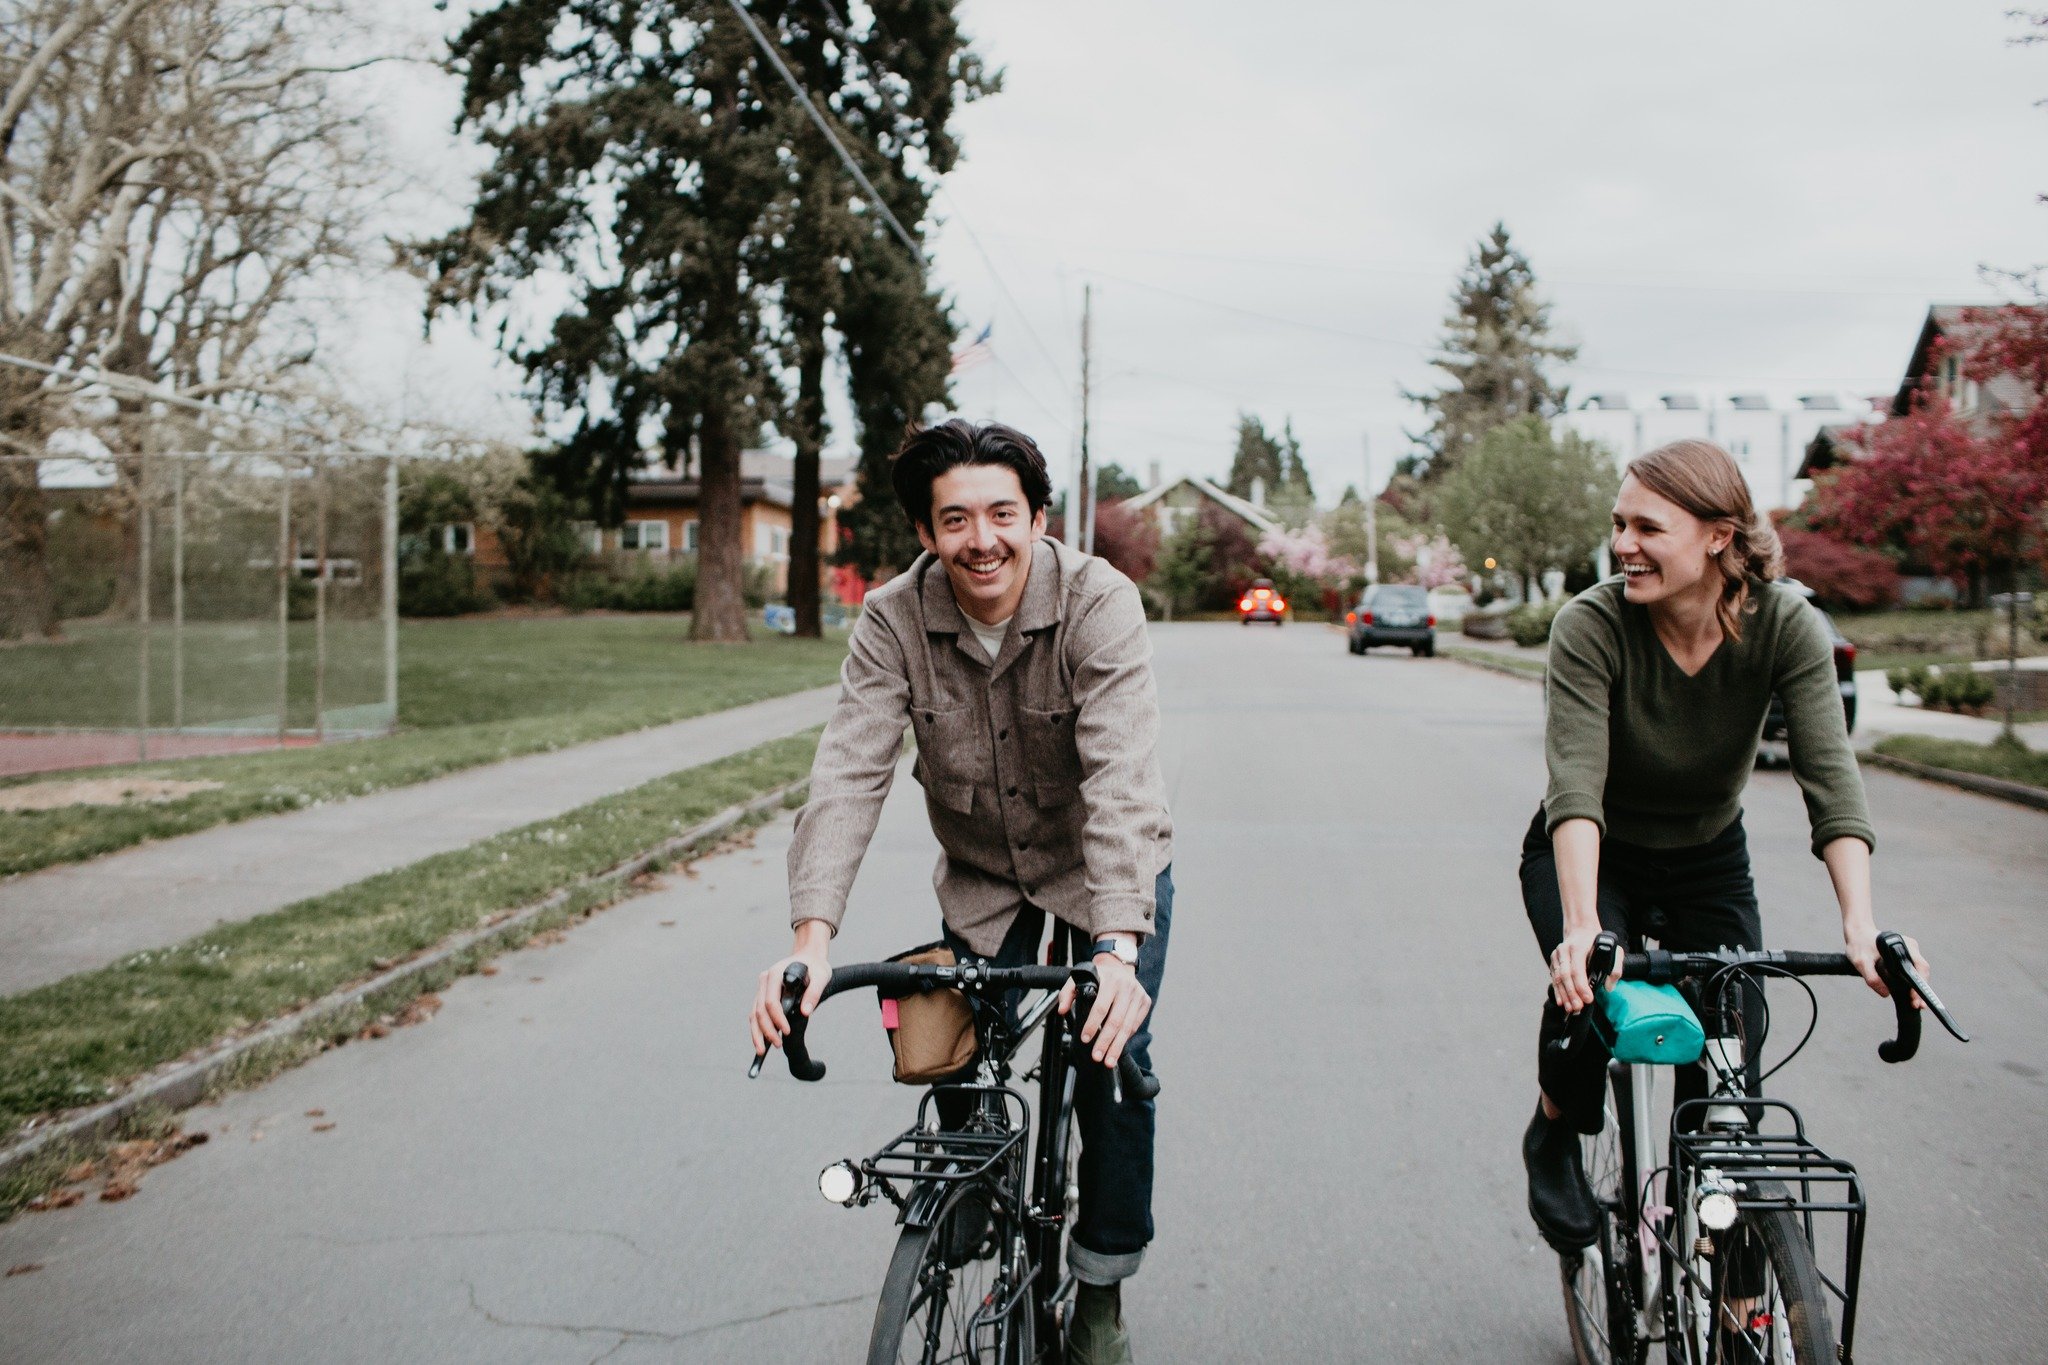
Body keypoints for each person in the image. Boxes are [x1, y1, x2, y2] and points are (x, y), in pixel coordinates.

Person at [748, 419, 1172, 1365]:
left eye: (1001, 513)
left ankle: (1101, 1287)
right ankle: (972, 1203)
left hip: (1107, 869)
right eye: (956, 519)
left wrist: (1113, 953)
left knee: (1113, 1062)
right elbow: (848, 774)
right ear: (926, 531)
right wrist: (810, 940)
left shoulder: (1099, 600)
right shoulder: (894, 618)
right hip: (984, 874)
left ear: (1037, 516)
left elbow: (1122, 782)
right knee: (949, 1046)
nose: (982, 538)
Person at [1519, 438, 1928, 1251]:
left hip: (1708, 856)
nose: (1622, 544)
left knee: (1731, 1054)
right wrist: (1581, 927)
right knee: (1595, 998)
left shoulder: (1785, 624)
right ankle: (1554, 1130)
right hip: (1597, 852)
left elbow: (1830, 777)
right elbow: (1576, 785)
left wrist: (1860, 927)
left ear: (1717, 536)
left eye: (1647, 527)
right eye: (1618, 524)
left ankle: (1714, 1236)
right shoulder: (1591, 625)